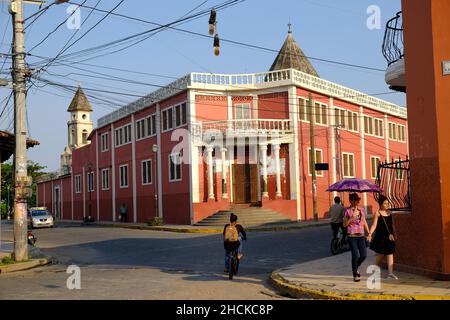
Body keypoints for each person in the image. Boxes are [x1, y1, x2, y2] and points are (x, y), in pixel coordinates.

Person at [368, 195, 398, 280]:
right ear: (380, 204)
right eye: (385, 203)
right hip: (381, 236)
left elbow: (392, 225)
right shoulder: (377, 213)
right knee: (381, 254)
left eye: (387, 203)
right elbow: (374, 225)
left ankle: (390, 273)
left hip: (389, 236)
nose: (387, 205)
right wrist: (370, 233)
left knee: (390, 253)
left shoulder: (390, 213)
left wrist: (395, 233)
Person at [343, 193, 370, 282]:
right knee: (355, 255)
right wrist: (351, 218)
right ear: (351, 201)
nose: (358, 201)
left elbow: (364, 221)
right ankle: (355, 273)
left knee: (363, 255)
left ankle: (355, 267)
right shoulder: (347, 211)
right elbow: (344, 224)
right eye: (356, 199)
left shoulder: (361, 209)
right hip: (352, 236)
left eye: (358, 199)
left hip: (361, 235)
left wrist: (369, 232)